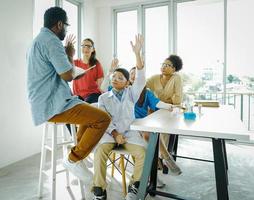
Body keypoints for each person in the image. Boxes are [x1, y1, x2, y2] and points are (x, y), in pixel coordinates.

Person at [27, 7, 111, 183]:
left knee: (91, 112)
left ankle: (78, 155)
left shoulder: (38, 40)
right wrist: (71, 55)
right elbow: (67, 75)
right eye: (66, 25)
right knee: (102, 118)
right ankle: (73, 159)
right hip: (53, 104)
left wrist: (67, 55)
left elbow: (56, 70)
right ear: (59, 24)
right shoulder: (51, 41)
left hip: (43, 102)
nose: (66, 29)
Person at [92, 35, 146, 200]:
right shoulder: (103, 98)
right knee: (100, 152)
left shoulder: (131, 93)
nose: (115, 79)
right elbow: (104, 120)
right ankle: (100, 190)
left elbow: (141, 78)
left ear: (128, 82)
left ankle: (134, 186)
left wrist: (137, 53)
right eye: (113, 77)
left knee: (143, 152)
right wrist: (115, 134)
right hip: (109, 135)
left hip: (129, 134)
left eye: (120, 77)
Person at [146, 54, 183, 174]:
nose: (164, 67)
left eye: (168, 65)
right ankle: (160, 158)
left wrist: (168, 104)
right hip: (156, 108)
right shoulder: (155, 78)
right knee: (151, 127)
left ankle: (161, 158)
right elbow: (143, 88)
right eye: (163, 64)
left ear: (174, 69)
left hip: (170, 109)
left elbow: (177, 99)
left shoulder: (176, 78)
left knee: (164, 128)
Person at [66, 36, 104, 103]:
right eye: (83, 46)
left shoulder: (96, 64)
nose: (86, 48)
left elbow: (99, 84)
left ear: (93, 49)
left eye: (88, 46)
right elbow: (63, 66)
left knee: (86, 105)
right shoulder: (75, 63)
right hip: (78, 95)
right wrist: (67, 50)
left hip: (93, 94)